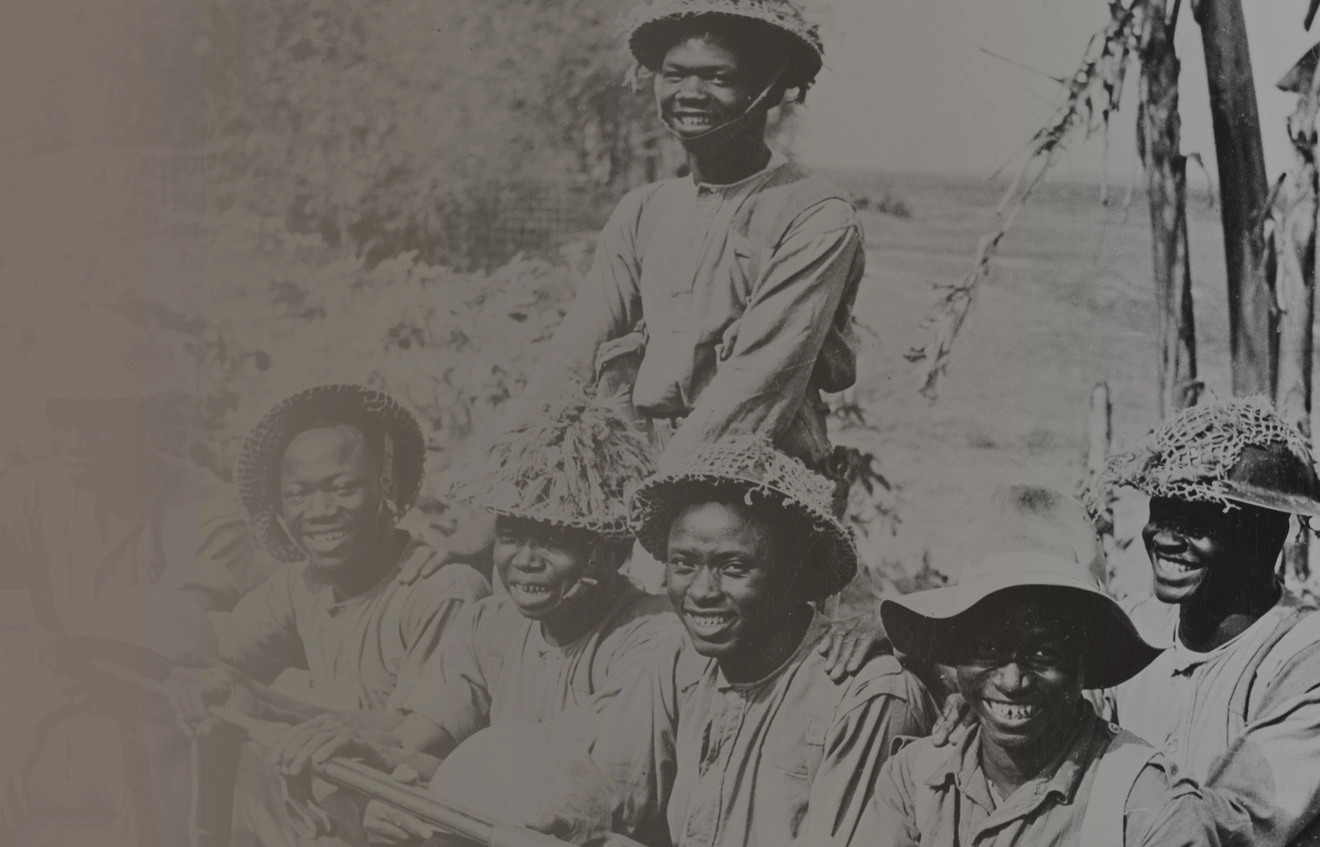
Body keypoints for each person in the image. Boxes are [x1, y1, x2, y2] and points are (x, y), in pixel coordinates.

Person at [266, 386, 691, 847]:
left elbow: (580, 810)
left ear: (611, 545)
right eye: (511, 535)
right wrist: (383, 768)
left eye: (553, 539)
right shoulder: (490, 625)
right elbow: (418, 742)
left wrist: (420, 801)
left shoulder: (652, 641)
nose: (525, 559)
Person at [521, 0, 863, 474]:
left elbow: (754, 393)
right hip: (642, 465)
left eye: (719, 78)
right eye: (673, 74)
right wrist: (509, 475)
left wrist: (657, 513)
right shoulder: (645, 211)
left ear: (769, 88)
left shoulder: (814, 216)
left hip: (756, 482)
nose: (690, 93)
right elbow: (572, 356)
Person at [170, 384, 489, 846]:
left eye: (342, 488)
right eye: (298, 495)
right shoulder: (300, 584)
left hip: (415, 823)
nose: (319, 512)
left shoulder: (442, 590)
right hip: (337, 814)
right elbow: (223, 661)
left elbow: (411, 742)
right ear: (279, 508)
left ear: (387, 489)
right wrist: (200, 679)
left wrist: (263, 704)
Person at [0, 308, 260, 847]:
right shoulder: (28, 494)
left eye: (96, 419)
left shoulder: (197, 500)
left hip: (172, 715)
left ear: (141, 417)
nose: (74, 439)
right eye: (62, 415)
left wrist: (38, 717)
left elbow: (179, 635)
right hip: (69, 715)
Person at [598, 438, 935, 847]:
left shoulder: (864, 696)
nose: (702, 590)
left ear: (794, 570)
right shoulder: (676, 664)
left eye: (734, 567)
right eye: (683, 564)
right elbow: (613, 808)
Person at [1089, 397, 1320, 847]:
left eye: (1198, 521)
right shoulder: (1130, 628)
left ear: (1266, 538)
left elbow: (1226, 827)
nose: (1166, 538)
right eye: (1162, 513)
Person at [859, 540, 1220, 847]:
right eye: (987, 650)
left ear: (1085, 662)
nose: (1012, 681)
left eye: (1043, 653)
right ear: (958, 658)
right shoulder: (915, 777)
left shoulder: (1147, 806)